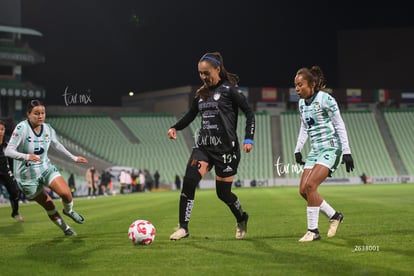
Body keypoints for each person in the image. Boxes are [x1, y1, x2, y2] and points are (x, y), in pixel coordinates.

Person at [167, 52, 255, 240]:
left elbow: (249, 112)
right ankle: (183, 227)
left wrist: (249, 138)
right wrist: (175, 127)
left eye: (206, 73)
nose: (203, 77)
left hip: (226, 151)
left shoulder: (230, 90)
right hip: (204, 147)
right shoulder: (201, 93)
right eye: (200, 73)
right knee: (189, 181)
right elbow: (190, 115)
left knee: (223, 194)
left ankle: (241, 217)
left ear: (217, 69)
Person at [5, 99, 88, 236]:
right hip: (27, 177)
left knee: (66, 193)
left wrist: (74, 158)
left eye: (43, 113)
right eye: (36, 113)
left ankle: (68, 211)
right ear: (28, 114)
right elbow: (8, 151)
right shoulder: (22, 128)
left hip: (45, 167)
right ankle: (66, 229)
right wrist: (26, 156)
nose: (40, 116)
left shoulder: (48, 128)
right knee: (49, 206)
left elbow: (57, 145)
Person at [293, 66, 354, 242]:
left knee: (311, 186)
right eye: (295, 85)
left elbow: (340, 124)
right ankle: (334, 215)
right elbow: (305, 127)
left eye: (300, 85)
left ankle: (313, 231)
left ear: (312, 84)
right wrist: (298, 149)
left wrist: (347, 152)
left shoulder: (326, 99)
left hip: (330, 148)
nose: (297, 89)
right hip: (315, 150)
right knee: (303, 191)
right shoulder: (301, 104)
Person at [0, 119, 24, 222]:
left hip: (5, 171)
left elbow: (11, 158)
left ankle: (15, 213)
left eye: (2, 129)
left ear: (4, 130)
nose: (0, 131)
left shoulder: (8, 142)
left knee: (15, 191)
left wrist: (13, 173)